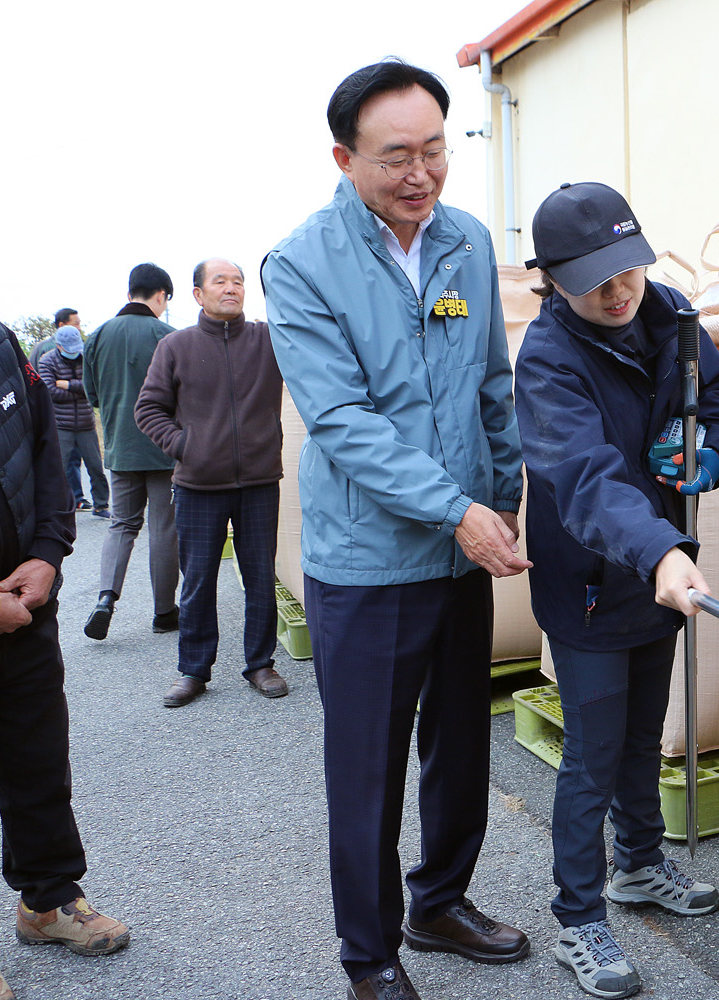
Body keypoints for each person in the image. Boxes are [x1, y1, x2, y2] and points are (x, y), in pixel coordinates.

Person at [263, 60, 530, 1000]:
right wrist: (460, 511)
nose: (421, 174)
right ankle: (370, 956)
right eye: (395, 158)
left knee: (462, 746)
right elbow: (342, 423)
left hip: (461, 554)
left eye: (434, 151)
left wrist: (504, 501)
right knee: (368, 771)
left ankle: (440, 902)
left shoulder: (462, 242)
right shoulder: (301, 265)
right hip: (370, 564)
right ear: (344, 158)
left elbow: (492, 386)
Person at [514, 181, 719, 1000]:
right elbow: (584, 481)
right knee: (591, 755)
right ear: (554, 281)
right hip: (593, 581)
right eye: (595, 282)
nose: (618, 294)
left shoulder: (672, 316)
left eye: (629, 272)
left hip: (661, 572)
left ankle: (639, 867)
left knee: (644, 738)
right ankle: (579, 916)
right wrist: (659, 550)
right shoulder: (547, 359)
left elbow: (718, 401)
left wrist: (711, 455)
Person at [0, 308, 131, 1000]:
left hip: (27, 608)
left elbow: (44, 447)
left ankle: (48, 899)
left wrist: (49, 554)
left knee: (38, 761)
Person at [134, 258, 288, 708]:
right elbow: (148, 410)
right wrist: (187, 446)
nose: (232, 288)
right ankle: (194, 670)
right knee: (198, 579)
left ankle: (260, 663)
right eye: (219, 281)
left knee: (261, 575)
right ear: (198, 294)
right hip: (198, 484)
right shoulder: (176, 347)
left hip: (260, 480)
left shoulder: (267, 339)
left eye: (238, 282)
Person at [82, 264, 179, 640]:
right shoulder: (167, 336)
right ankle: (164, 612)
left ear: (130, 292)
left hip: (120, 448)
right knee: (163, 528)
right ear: (161, 296)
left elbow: (91, 395)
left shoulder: (98, 336)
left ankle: (106, 598)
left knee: (121, 524)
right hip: (163, 448)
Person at [36, 322, 111, 519]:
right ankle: (57, 507)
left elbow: (94, 386)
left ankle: (101, 505)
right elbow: (49, 391)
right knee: (58, 469)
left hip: (86, 424)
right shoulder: (47, 361)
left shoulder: (86, 358)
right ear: (58, 346)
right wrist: (80, 390)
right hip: (61, 425)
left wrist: (68, 385)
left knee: (96, 467)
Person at [31, 310, 86, 509]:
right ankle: (67, 499)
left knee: (73, 459)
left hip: (80, 416)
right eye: (76, 323)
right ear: (62, 326)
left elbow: (90, 386)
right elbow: (42, 384)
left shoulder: (80, 350)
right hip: (55, 415)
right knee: (64, 460)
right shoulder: (44, 349)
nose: (79, 327)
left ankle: (76, 498)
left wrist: (70, 385)